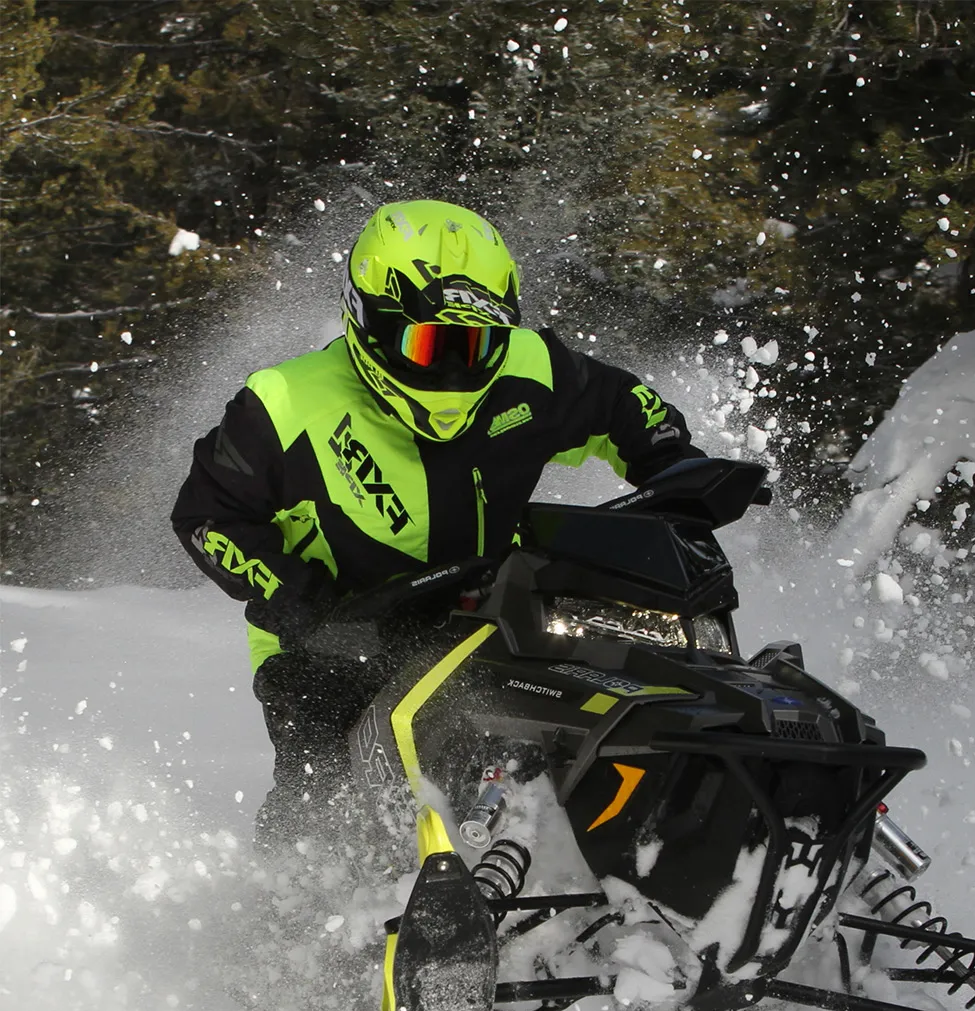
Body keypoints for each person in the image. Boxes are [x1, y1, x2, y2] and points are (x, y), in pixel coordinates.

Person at [172, 199, 704, 846]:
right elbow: (205, 515)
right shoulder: (285, 405)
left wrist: (675, 467)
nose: (453, 370)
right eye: (428, 344)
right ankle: (291, 915)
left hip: (487, 614)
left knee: (582, 717)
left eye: (476, 345)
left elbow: (628, 408)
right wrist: (305, 604)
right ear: (370, 322)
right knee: (326, 805)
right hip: (329, 642)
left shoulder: (530, 370)